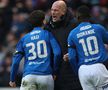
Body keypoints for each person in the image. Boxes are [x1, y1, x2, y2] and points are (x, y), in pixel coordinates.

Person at [9, 10, 61, 90]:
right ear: (43, 21)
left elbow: (16, 62)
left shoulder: (24, 39)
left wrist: (12, 79)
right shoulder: (48, 34)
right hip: (46, 76)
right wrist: (55, 71)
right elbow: (57, 53)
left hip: (29, 76)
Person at [68, 5, 108, 90]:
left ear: (77, 17)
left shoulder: (72, 33)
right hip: (99, 67)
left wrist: (78, 71)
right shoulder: (98, 28)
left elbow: (71, 57)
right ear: (90, 16)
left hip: (83, 70)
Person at [45, 1, 82, 90]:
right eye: (52, 10)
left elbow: (82, 44)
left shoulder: (75, 25)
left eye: (56, 10)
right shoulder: (48, 27)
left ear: (63, 12)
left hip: (73, 72)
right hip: (56, 73)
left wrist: (74, 54)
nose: (53, 12)